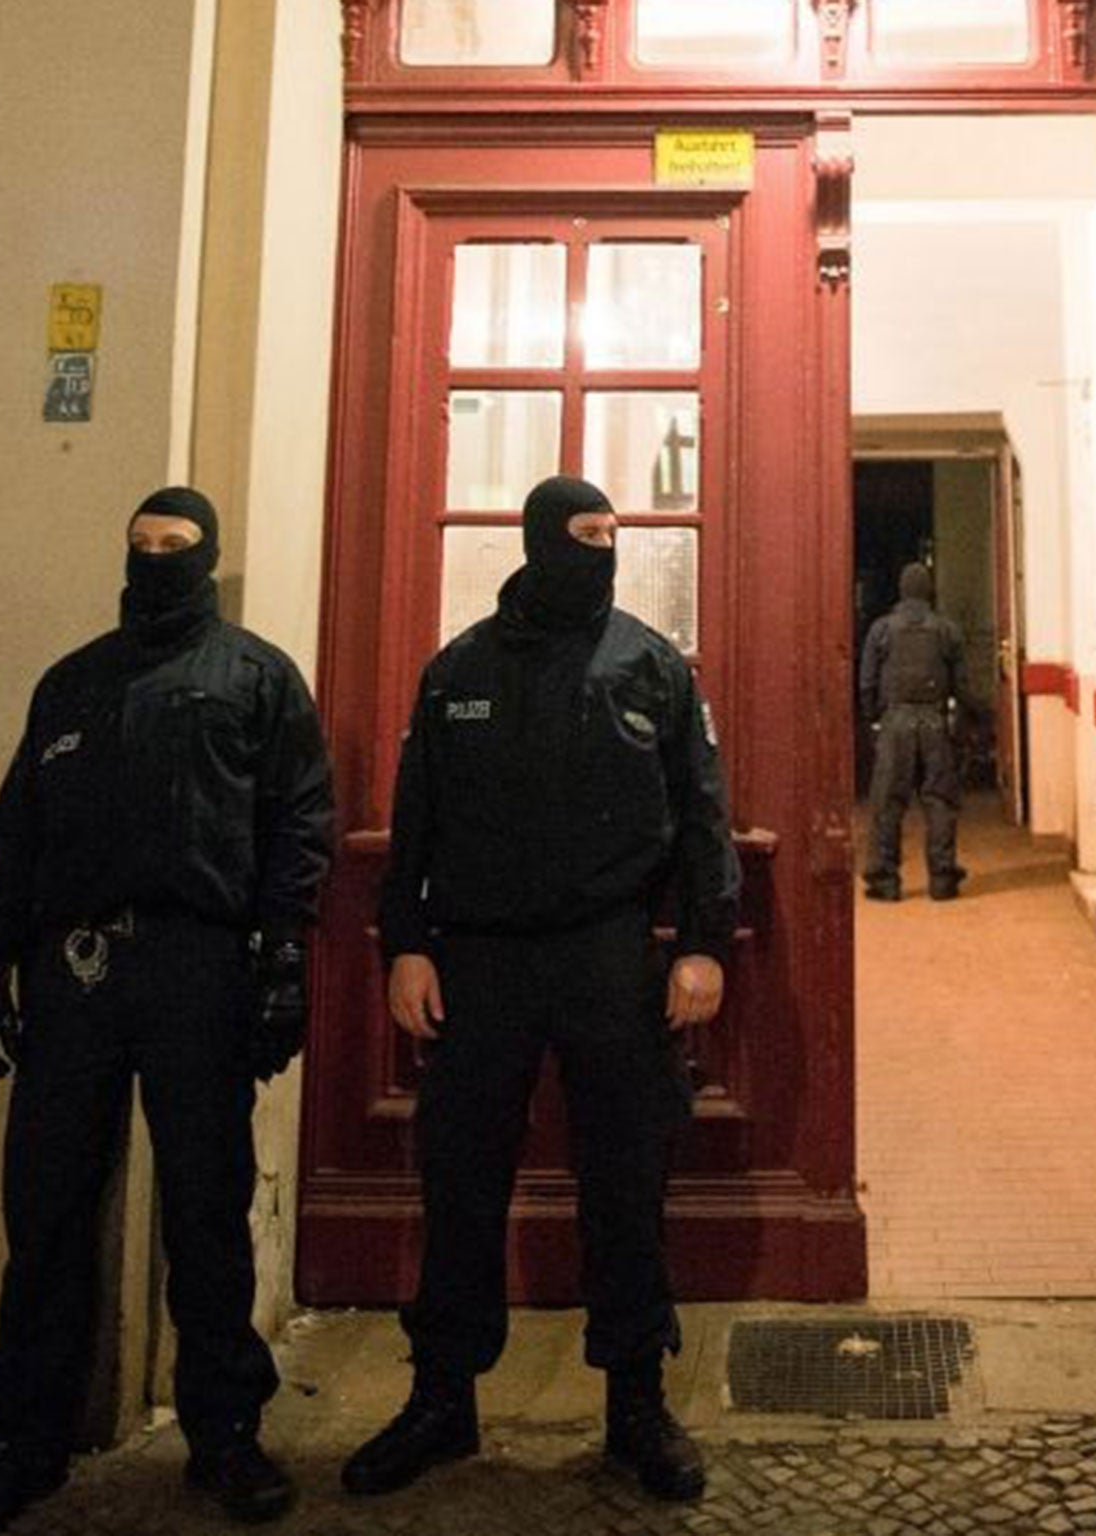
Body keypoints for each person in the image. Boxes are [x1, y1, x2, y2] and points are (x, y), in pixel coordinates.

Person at [0, 487, 334, 1534]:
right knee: (49, 1207)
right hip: (74, 973)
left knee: (206, 1208)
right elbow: (18, 828)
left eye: (177, 547)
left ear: (207, 557)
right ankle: (23, 1436)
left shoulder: (254, 677)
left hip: (198, 965)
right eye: (142, 546)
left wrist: (284, 958)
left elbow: (298, 821)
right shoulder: (72, 683)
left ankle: (226, 1435)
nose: (157, 560)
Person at [343, 475, 739, 1505]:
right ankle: (441, 1398)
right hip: (478, 962)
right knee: (459, 1176)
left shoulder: (650, 667)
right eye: (584, 534)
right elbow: (414, 821)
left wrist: (703, 946)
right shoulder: (458, 672)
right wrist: (407, 945)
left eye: (612, 534)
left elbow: (700, 818)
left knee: (624, 1177)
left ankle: (636, 1404)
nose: (602, 550)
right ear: (537, 542)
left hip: (609, 958)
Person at [858, 561, 966, 902]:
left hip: (895, 721)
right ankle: (942, 879)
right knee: (939, 801)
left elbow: (867, 682)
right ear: (929, 591)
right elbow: (962, 684)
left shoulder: (882, 630)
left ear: (902, 591)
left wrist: (874, 719)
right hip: (934, 722)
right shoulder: (947, 630)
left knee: (888, 803)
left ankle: (886, 880)